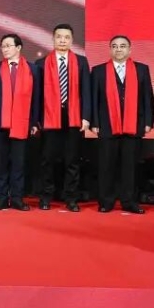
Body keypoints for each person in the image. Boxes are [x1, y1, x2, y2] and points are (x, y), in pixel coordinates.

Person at [90, 35, 153, 214]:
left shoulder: (142, 69)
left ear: (129, 50)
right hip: (106, 125)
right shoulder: (99, 71)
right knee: (106, 166)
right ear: (110, 49)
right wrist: (94, 122)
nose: (119, 49)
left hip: (134, 124)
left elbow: (148, 97)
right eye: (115, 46)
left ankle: (130, 202)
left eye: (123, 46)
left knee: (130, 167)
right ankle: (106, 202)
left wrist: (148, 121)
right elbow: (94, 99)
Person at [35, 23, 92, 211]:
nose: (62, 40)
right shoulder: (41, 63)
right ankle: (46, 197)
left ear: (72, 40)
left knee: (72, 161)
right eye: (59, 37)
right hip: (49, 117)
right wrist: (37, 119)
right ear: (53, 39)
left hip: (73, 117)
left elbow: (86, 91)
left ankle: (71, 198)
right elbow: (37, 95)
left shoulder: (81, 61)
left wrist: (86, 117)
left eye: (66, 37)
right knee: (47, 160)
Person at [0, 33, 39, 210]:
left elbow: (36, 98)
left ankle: (17, 198)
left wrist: (34, 121)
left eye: (8, 46)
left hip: (22, 123)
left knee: (18, 163)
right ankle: (1, 199)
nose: (5, 49)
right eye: (3, 46)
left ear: (18, 47)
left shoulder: (32, 69)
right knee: (0, 163)